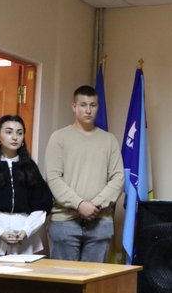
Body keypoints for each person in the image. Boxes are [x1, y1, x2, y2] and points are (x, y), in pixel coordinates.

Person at [45, 85, 124, 263]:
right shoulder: (59, 138)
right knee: (63, 278)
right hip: (64, 221)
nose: (88, 110)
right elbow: (53, 178)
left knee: (94, 278)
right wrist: (79, 204)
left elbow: (118, 178)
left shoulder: (109, 140)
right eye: (83, 105)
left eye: (93, 105)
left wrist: (95, 204)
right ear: (74, 106)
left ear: (98, 107)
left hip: (100, 221)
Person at [0, 114, 53, 254]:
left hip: (23, 236)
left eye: (20, 133)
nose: (15, 137)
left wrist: (27, 229)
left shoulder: (30, 167)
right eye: (9, 132)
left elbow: (41, 204)